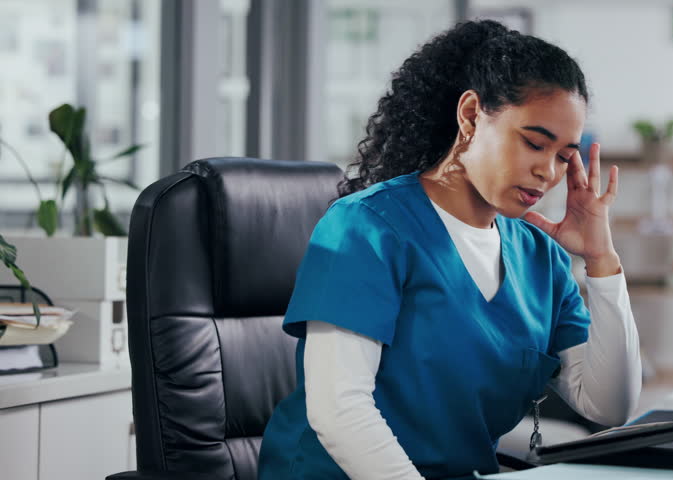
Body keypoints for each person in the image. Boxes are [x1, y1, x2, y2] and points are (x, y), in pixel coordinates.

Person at [258, 20, 641, 480]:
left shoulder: (542, 258)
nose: (548, 173)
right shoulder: (367, 228)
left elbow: (608, 405)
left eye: (563, 156)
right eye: (534, 143)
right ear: (471, 114)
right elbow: (340, 410)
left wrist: (602, 260)